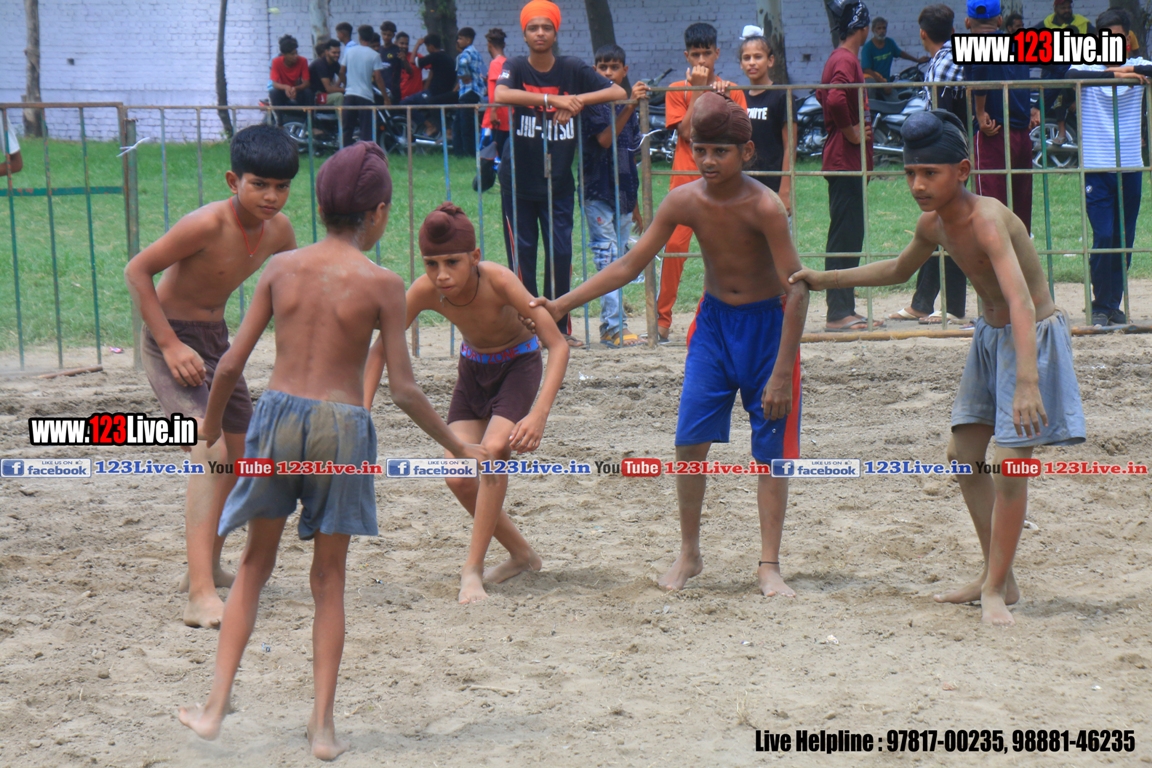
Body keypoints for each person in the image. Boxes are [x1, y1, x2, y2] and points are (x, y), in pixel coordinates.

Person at [177, 143, 485, 758]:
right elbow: (403, 389)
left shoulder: (281, 267)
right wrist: (457, 446)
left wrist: (210, 427)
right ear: (379, 214)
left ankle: (213, 709)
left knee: (255, 565)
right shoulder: (384, 284)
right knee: (329, 578)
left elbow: (231, 364)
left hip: (278, 419)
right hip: (343, 429)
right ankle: (322, 728)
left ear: (318, 207)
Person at [789, 110, 1085, 626]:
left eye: (930, 173)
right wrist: (823, 278)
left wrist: (1027, 380)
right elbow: (897, 270)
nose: (918, 185)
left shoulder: (987, 220)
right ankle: (1000, 577)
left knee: (1010, 467)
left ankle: (994, 587)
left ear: (963, 171)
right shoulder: (935, 224)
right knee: (963, 455)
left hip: (1029, 338)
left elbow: (1020, 300)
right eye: (910, 173)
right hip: (990, 338)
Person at [533, 93, 808, 598]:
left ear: (746, 153)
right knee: (688, 441)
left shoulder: (765, 206)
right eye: (700, 149)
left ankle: (769, 564)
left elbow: (798, 289)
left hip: (768, 331)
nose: (708, 161)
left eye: (720, 151)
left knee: (771, 450)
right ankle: (689, 552)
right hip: (713, 328)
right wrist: (560, 304)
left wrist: (782, 372)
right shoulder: (684, 200)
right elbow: (628, 264)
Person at [123, 125, 299, 628]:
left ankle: (206, 568)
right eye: (259, 184)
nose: (270, 197)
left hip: (217, 345)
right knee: (210, 450)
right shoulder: (205, 224)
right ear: (232, 180)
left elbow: (291, 288)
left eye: (281, 186)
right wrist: (170, 343)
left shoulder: (279, 232)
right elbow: (137, 270)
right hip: (170, 341)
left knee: (240, 457)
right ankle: (199, 595)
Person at [365, 203, 568, 604]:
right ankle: (522, 555)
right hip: (473, 371)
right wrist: (361, 409)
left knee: (493, 451)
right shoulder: (425, 291)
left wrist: (538, 413)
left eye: (452, 262)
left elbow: (558, 345)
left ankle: (471, 569)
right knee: (457, 475)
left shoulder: (500, 280)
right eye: (431, 264)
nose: (441, 275)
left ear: (475, 257)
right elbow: (380, 349)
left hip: (518, 366)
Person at [494, 1, 626, 346]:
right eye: (533, 28)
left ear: (556, 32)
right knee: (522, 257)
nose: (540, 33)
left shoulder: (571, 67)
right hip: (518, 182)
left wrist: (576, 101)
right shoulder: (516, 66)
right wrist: (553, 101)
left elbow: (618, 91)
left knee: (560, 254)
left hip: (559, 184)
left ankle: (558, 329)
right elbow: (501, 93)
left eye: (546, 27)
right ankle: (527, 331)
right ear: (524, 33)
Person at [656, 22, 747, 343]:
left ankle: (725, 316)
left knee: (726, 251)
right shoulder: (676, 89)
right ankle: (662, 320)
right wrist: (698, 91)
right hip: (684, 183)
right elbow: (685, 132)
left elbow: (739, 133)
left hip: (723, 184)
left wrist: (719, 98)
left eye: (706, 53)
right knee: (674, 250)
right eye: (695, 54)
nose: (701, 60)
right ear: (687, 56)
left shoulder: (732, 89)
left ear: (717, 53)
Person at [1066, 8, 1150, 326]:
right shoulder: (1084, 66)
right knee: (1104, 235)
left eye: (1117, 38)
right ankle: (1100, 303)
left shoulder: (1139, 65)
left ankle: (1112, 303)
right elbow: (1067, 78)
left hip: (1130, 166)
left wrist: (1128, 69)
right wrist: (1117, 76)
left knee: (1124, 239)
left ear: (1128, 39)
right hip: (1097, 165)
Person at [890, 3, 969, 324]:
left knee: (951, 225)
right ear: (953, 29)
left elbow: (939, 116)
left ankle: (952, 307)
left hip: (946, 155)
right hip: (959, 154)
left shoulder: (941, 64)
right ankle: (923, 302)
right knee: (940, 223)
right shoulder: (962, 55)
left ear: (923, 34)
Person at [818, 0, 883, 332]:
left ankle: (845, 308)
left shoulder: (840, 57)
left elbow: (825, 95)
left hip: (846, 160)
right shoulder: (844, 59)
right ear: (864, 28)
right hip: (844, 160)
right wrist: (851, 132)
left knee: (849, 236)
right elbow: (833, 97)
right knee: (844, 238)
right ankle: (838, 312)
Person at [581, 44, 648, 347]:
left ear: (625, 70)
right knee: (608, 260)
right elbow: (606, 139)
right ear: (594, 70)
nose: (608, 72)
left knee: (619, 261)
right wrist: (630, 106)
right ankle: (613, 326)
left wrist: (634, 204)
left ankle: (614, 325)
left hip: (623, 192)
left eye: (614, 67)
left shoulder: (626, 105)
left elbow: (629, 154)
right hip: (598, 191)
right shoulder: (593, 104)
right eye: (602, 67)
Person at [964, 0, 1040, 234]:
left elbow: (980, 70)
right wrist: (1034, 107)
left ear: (967, 22)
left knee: (990, 208)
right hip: (1021, 134)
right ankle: (1020, 254)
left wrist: (979, 111)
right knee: (1019, 208)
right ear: (999, 20)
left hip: (992, 132)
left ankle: (994, 256)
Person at [738, 27, 792, 213]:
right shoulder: (739, 96)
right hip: (743, 185)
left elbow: (790, 145)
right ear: (741, 64)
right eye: (746, 58)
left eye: (758, 57)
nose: (752, 62)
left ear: (770, 60)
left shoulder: (781, 95)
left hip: (773, 186)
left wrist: (785, 191)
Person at [1041, 0, 1094, 145]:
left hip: (1081, 82)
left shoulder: (1083, 24)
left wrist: (1077, 99)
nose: (1066, 10)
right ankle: (1062, 132)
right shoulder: (1046, 24)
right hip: (1058, 81)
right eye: (1063, 7)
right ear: (1055, 8)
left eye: (1068, 7)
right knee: (1058, 93)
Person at [401, 34, 459, 137]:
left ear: (431, 47)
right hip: (445, 93)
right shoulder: (448, 57)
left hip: (433, 93)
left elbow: (412, 61)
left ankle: (429, 125)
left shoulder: (435, 56)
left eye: (427, 47)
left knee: (404, 103)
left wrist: (417, 45)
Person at [340, 25, 388, 147]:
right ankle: (366, 154)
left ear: (359, 37)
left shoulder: (350, 52)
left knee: (347, 129)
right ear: (371, 38)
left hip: (350, 95)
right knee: (366, 130)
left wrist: (347, 84)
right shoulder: (374, 55)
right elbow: (378, 78)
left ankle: (344, 153)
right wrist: (385, 97)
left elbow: (341, 72)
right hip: (365, 96)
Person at [860, 16, 928, 96]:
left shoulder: (889, 43)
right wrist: (882, 82)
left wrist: (917, 60)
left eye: (884, 28)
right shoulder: (868, 48)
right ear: (873, 30)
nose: (882, 31)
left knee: (897, 100)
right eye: (879, 28)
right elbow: (866, 69)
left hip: (886, 83)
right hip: (874, 84)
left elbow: (901, 53)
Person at [454, 27, 487, 157]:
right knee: (461, 123)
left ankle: (468, 153)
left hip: (467, 92)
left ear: (468, 40)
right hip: (476, 92)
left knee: (465, 126)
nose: (458, 41)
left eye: (460, 38)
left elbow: (462, 63)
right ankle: (460, 152)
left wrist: (464, 75)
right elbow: (484, 72)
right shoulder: (477, 53)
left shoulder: (466, 53)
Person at [482, 28, 511, 156]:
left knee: (488, 153)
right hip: (507, 114)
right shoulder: (508, 63)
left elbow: (496, 90)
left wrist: (493, 111)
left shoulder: (495, 63)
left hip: (496, 116)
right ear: (503, 45)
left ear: (489, 45)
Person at [269, 35, 312, 117]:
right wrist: (286, 87)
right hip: (284, 91)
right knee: (273, 92)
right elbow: (274, 83)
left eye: (296, 53)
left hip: (298, 90)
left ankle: (310, 121)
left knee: (308, 92)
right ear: (284, 55)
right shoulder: (276, 62)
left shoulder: (303, 61)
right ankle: (279, 121)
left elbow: (306, 83)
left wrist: (295, 88)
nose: (296, 56)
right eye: (292, 54)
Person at [378, 20, 409, 105]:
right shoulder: (379, 50)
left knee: (393, 112)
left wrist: (404, 60)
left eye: (389, 35)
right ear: (381, 33)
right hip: (379, 90)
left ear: (393, 36)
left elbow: (409, 71)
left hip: (393, 90)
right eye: (384, 34)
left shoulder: (397, 50)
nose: (386, 37)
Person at [310, 39, 344, 107]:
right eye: (334, 53)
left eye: (339, 53)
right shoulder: (320, 64)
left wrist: (338, 86)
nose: (337, 55)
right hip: (316, 95)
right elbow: (328, 89)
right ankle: (341, 114)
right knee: (339, 96)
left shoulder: (335, 63)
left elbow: (342, 75)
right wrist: (346, 90)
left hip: (325, 93)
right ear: (326, 52)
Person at [396, 33, 426, 102]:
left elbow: (432, 68)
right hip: (399, 99)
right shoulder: (393, 59)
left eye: (406, 44)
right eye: (402, 43)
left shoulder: (417, 57)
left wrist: (426, 86)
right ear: (396, 43)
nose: (404, 46)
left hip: (416, 99)